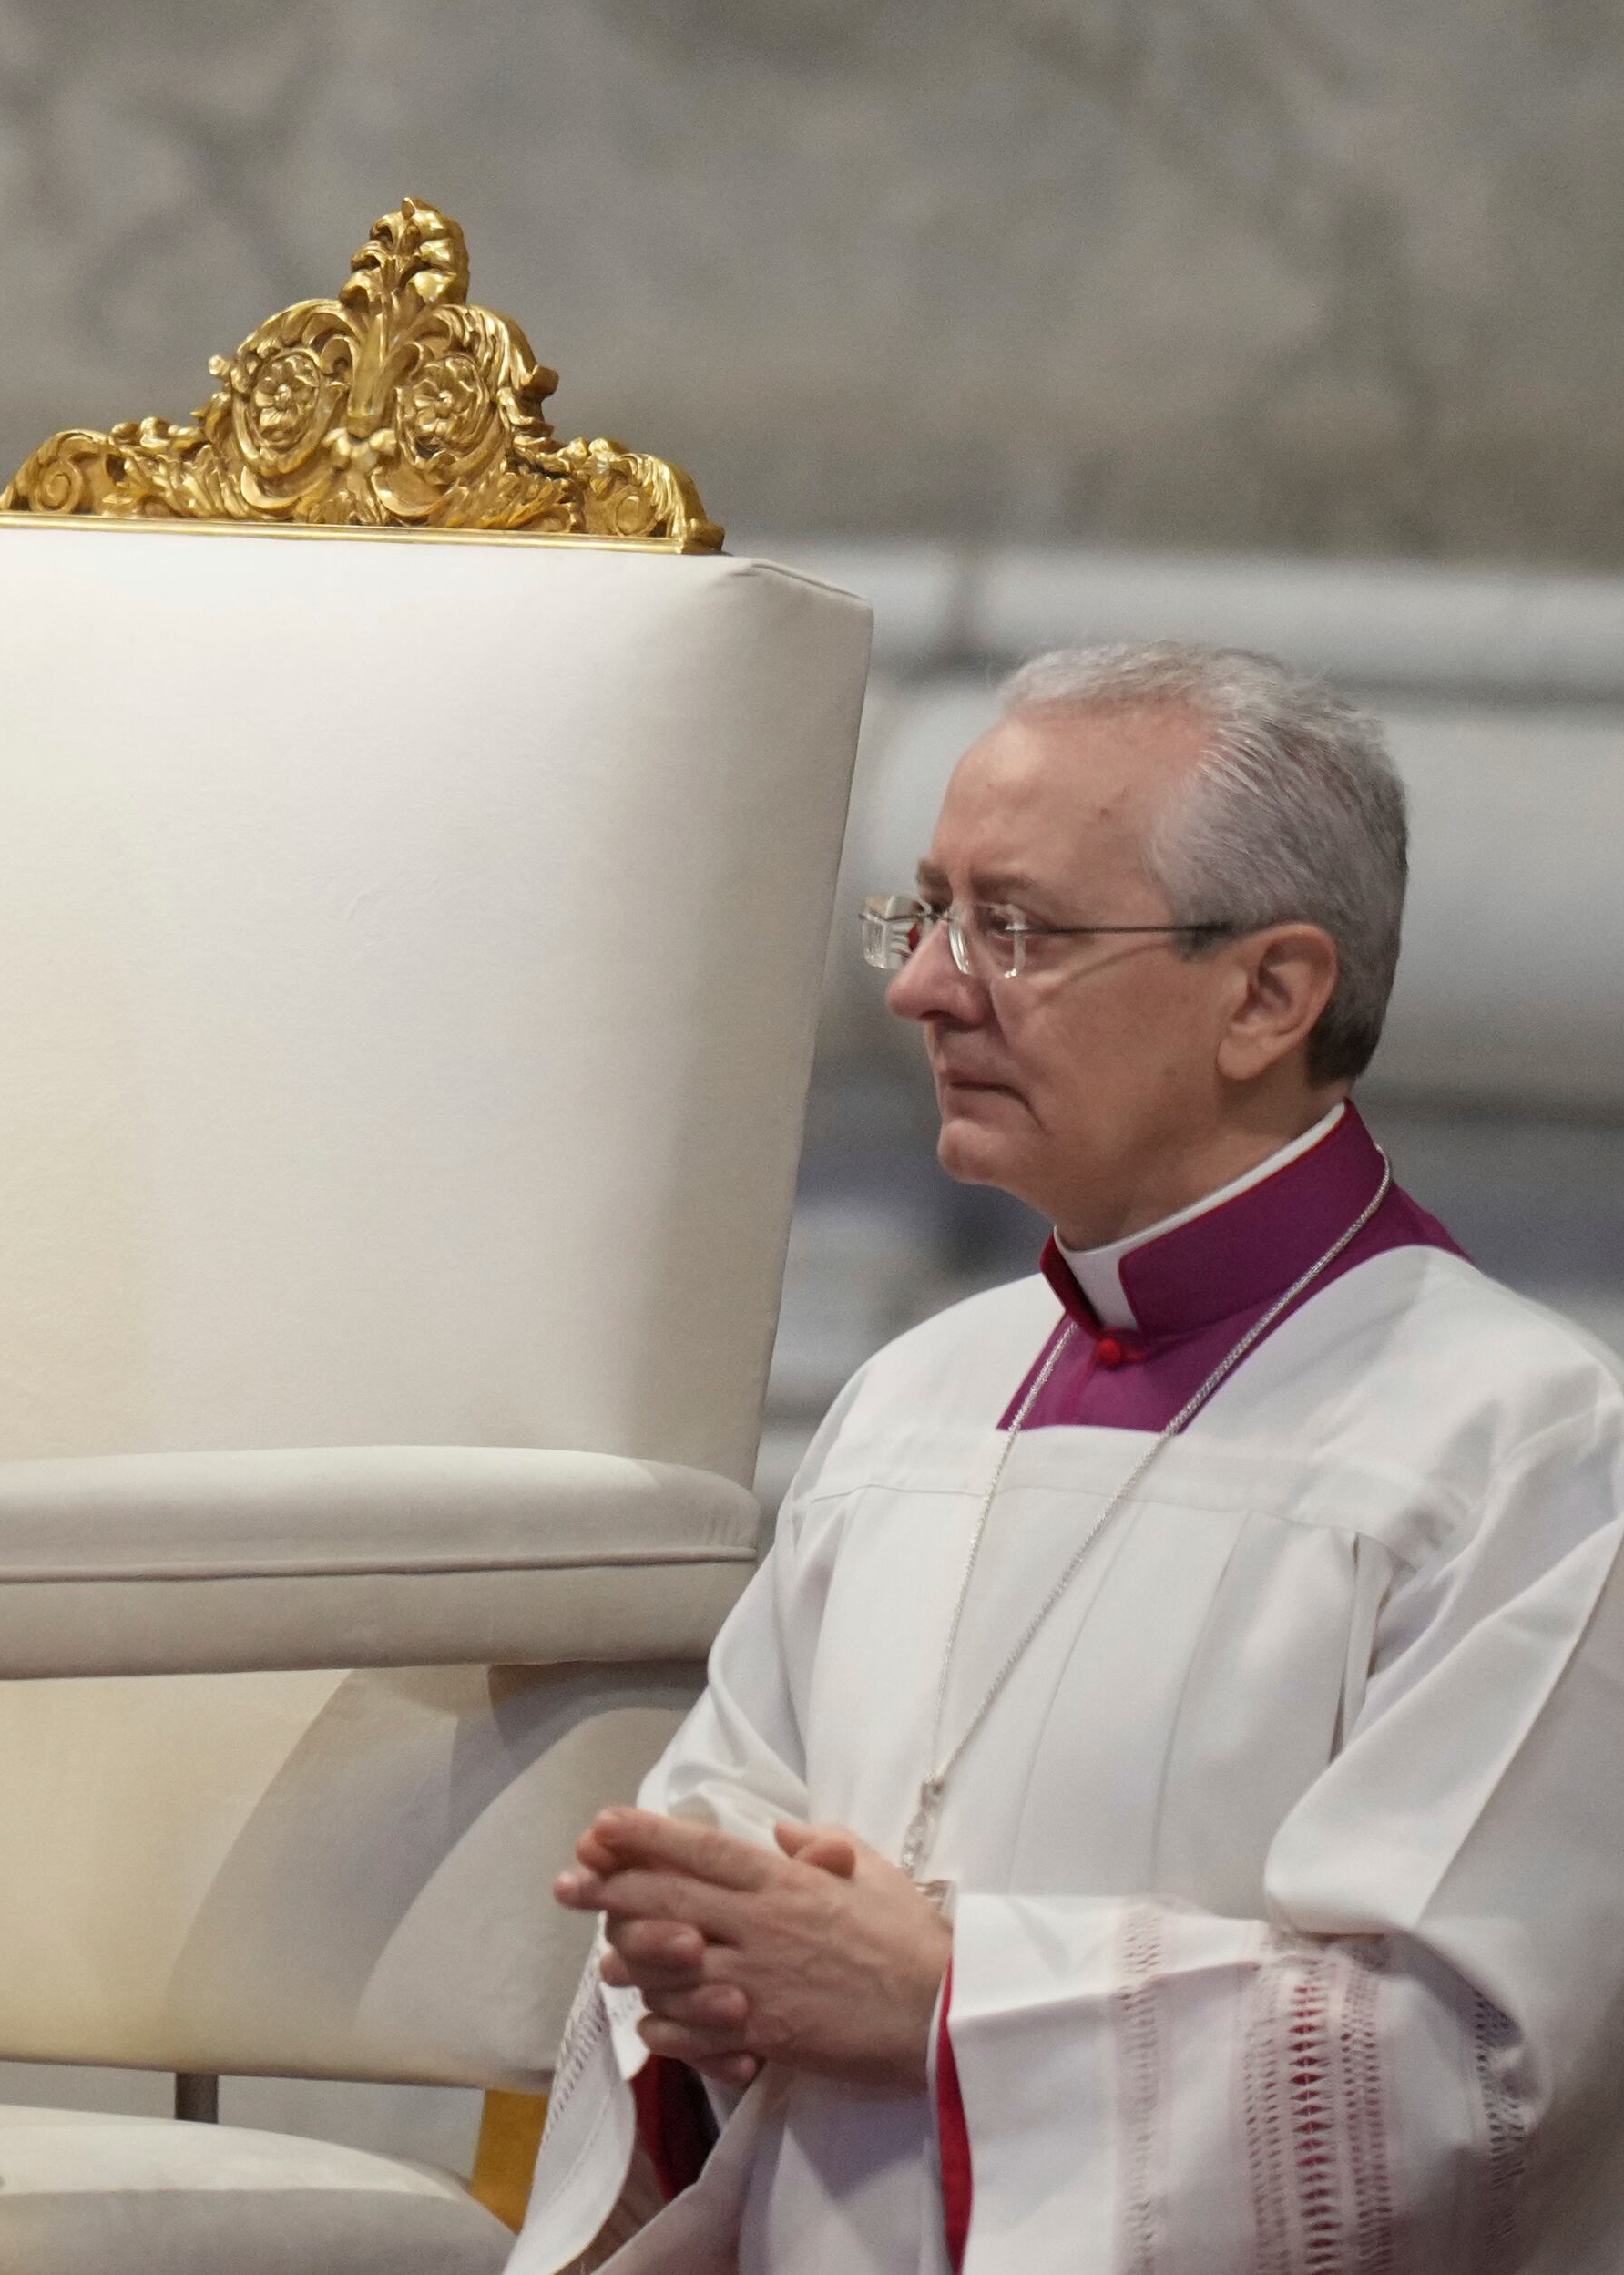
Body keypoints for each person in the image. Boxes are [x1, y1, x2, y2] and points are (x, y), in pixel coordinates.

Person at [509, 642, 1624, 2272]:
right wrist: (698, 1954)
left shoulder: (1516, 1445)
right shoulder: (914, 1400)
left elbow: (1477, 2067)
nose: (923, 985)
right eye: (930, 911)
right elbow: (734, 1826)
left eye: (1014, 928)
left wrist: (945, 2002)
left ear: (1269, 992)